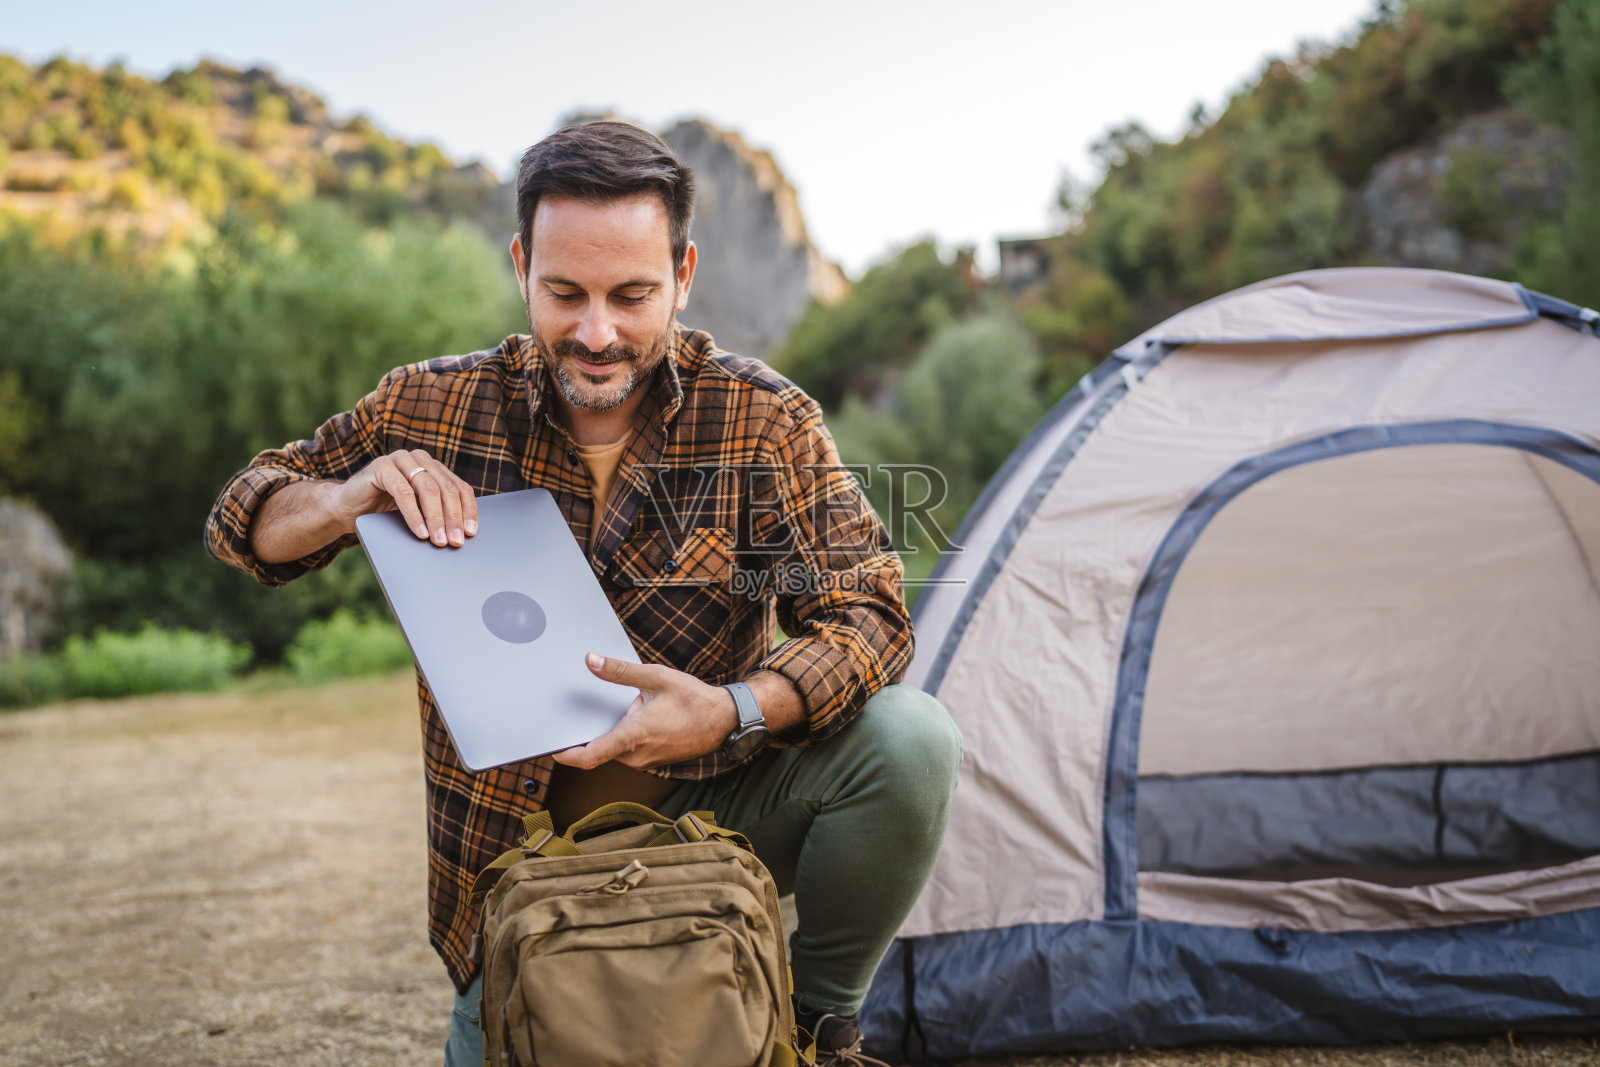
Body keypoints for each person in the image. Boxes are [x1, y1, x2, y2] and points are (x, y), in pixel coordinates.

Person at [206, 120, 961, 1067]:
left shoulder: (764, 419)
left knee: (911, 739)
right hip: (519, 872)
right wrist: (346, 498)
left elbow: (870, 613)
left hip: (710, 823)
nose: (596, 333)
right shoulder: (431, 407)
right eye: (564, 293)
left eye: (631, 295)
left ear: (684, 275)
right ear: (521, 264)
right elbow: (246, 518)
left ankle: (814, 1031)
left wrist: (730, 710)